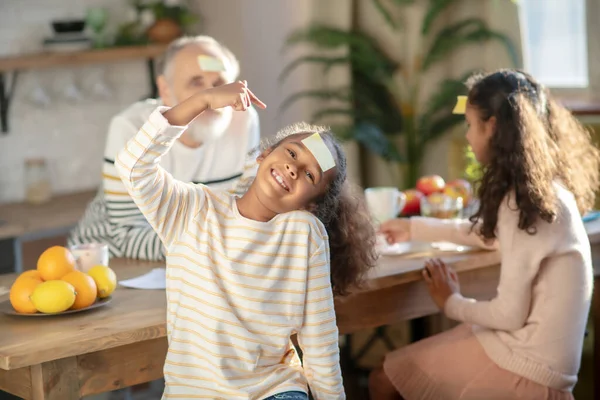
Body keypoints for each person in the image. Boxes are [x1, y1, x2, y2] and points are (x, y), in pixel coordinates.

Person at [115, 80, 378, 399]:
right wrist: (204, 99)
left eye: (310, 175)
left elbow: (319, 340)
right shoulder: (195, 210)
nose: (293, 168)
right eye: (292, 153)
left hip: (273, 390)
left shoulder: (304, 234)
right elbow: (132, 167)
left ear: (312, 205)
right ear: (264, 154)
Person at [369, 69, 600, 400]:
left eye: (469, 124)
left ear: (491, 126)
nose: (466, 136)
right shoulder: (547, 193)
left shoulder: (521, 204)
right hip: (543, 362)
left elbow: (508, 314)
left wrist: (451, 302)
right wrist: (413, 227)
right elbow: (488, 236)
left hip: (528, 368)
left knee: (383, 378)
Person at [68, 35, 260, 261]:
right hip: (110, 261)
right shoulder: (129, 127)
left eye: (219, 83)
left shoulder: (243, 120)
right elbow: (127, 235)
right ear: (165, 89)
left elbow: (239, 213)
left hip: (200, 260)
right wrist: (216, 245)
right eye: (196, 83)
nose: (212, 97)